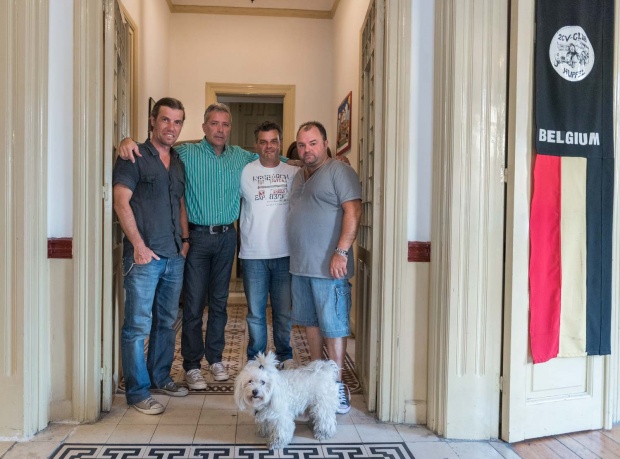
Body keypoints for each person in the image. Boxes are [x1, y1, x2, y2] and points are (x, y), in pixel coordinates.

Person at [118, 103, 297, 390]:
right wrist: (127, 141)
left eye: (225, 124)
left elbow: (273, 157)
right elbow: (158, 146)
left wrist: (307, 162)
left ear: (230, 128)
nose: (220, 129)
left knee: (219, 303)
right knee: (193, 304)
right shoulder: (185, 153)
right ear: (204, 127)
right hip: (197, 238)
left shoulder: (241, 156)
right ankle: (192, 364)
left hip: (227, 237)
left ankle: (215, 359)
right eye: (214, 123)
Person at [113, 97, 190, 415]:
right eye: (165, 119)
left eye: (177, 121)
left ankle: (159, 377)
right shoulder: (133, 156)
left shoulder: (179, 161)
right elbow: (120, 201)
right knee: (137, 327)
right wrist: (139, 245)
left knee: (167, 322)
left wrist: (185, 240)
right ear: (152, 121)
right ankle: (137, 392)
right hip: (144, 258)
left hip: (173, 255)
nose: (171, 127)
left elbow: (180, 202)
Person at [287, 121, 362, 414]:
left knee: (334, 327)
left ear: (326, 143)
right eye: (302, 145)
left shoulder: (339, 171)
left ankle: (336, 386)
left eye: (313, 143)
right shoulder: (299, 175)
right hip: (301, 267)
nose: (307, 149)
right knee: (311, 325)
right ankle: (317, 385)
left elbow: (353, 210)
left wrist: (341, 252)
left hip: (330, 268)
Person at [239, 121, 299, 368]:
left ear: (280, 143)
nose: (269, 146)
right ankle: (257, 358)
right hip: (253, 254)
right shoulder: (244, 171)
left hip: (285, 253)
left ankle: (284, 355)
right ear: (256, 145)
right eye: (263, 142)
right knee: (255, 313)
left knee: (283, 312)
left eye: (273, 141)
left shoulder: (293, 172)